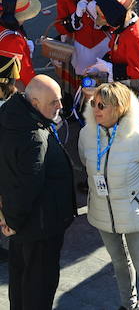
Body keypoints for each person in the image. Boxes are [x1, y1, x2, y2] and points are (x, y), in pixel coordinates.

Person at [78, 81, 139, 310]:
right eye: (93, 103)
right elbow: (85, 162)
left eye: (102, 105)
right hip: (103, 212)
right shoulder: (86, 134)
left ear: (118, 107)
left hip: (136, 214)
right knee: (119, 263)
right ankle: (128, 305)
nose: (95, 109)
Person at [0, 76, 77, 310]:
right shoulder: (34, 137)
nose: (60, 107)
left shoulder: (10, 117)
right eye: (54, 102)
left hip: (22, 225)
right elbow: (28, 186)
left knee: (21, 283)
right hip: (39, 227)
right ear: (34, 103)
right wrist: (12, 221)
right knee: (38, 289)